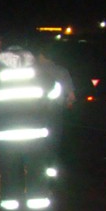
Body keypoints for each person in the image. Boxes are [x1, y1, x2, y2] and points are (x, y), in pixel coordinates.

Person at [0, 46, 61, 211]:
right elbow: (56, 91)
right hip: (35, 136)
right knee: (37, 173)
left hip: (7, 137)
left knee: (9, 174)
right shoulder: (38, 75)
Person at [36, 47, 75, 179]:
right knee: (52, 144)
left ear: (41, 55)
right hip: (55, 113)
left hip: (34, 113)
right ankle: (50, 173)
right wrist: (67, 104)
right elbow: (71, 97)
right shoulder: (62, 71)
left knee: (34, 144)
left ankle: (34, 172)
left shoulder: (33, 71)